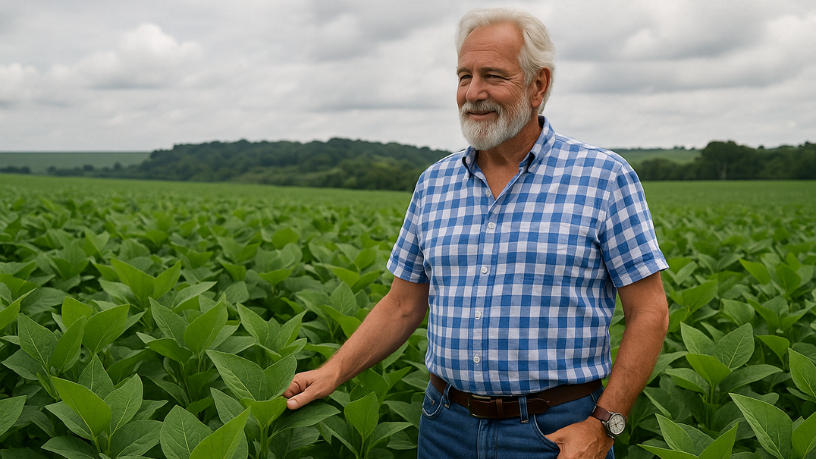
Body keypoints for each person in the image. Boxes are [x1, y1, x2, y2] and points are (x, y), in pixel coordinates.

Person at [284, 7, 669, 458]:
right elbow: (403, 305)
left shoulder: (603, 177)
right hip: (444, 425)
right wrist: (332, 372)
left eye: (493, 76)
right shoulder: (434, 183)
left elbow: (649, 312)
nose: (473, 93)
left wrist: (605, 425)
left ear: (538, 85)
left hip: (555, 432)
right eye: (464, 76)